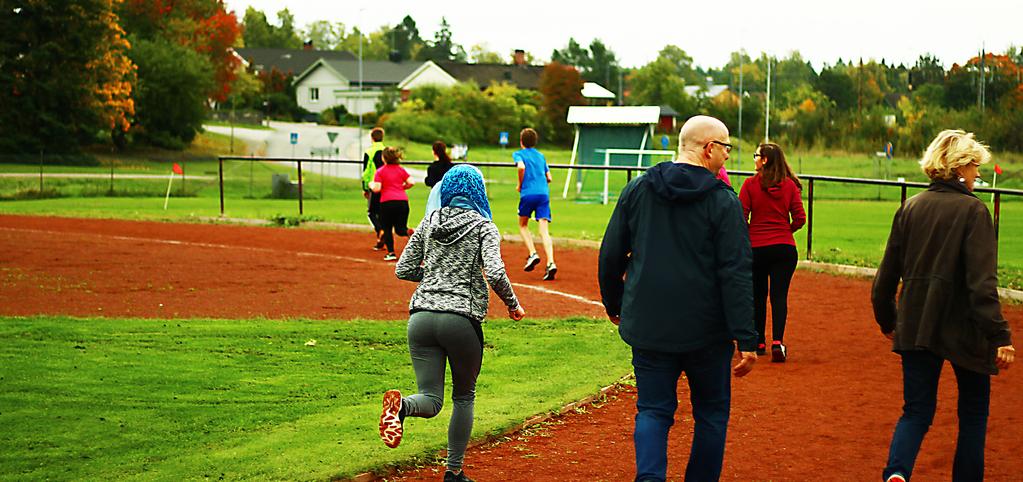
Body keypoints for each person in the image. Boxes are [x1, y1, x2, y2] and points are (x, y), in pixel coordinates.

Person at [598, 115, 758, 482]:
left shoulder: (638, 189)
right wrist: (745, 337)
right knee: (712, 414)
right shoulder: (723, 201)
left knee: (653, 410)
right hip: (707, 331)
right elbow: (735, 272)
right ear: (708, 149)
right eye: (726, 148)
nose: (728, 156)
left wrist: (616, 304)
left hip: (650, 325)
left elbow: (610, 255)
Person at [872, 129, 1015, 482]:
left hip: (917, 323)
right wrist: (1000, 335)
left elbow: (884, 281)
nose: (977, 174)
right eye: (974, 166)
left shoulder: (910, 207)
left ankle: (897, 474)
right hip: (965, 328)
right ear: (960, 167)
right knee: (973, 414)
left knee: (916, 412)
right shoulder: (974, 211)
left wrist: (889, 320)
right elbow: (982, 286)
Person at [381, 164, 526, 482]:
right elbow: (497, 272)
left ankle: (402, 407)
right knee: (464, 396)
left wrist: (434, 276)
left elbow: (402, 269)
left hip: (420, 319)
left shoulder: (428, 221)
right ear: (479, 192)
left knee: (430, 399)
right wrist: (513, 306)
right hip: (460, 320)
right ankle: (454, 472)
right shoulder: (484, 226)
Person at [738, 143, 806, 361]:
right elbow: (800, 218)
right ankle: (778, 342)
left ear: (765, 160)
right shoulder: (789, 186)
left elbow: (741, 215)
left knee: (758, 296)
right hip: (784, 249)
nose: (755, 159)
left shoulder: (750, 184)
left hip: (757, 249)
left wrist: (752, 233)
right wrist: (786, 230)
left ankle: (758, 342)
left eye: (756, 156)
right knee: (779, 296)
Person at [514, 128, 557, 280]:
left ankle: (533, 253)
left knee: (523, 225)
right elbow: (549, 177)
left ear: (521, 142)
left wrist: (520, 184)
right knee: (544, 230)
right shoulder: (541, 156)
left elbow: (521, 167)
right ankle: (551, 263)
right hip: (543, 193)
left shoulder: (519, 154)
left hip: (528, 193)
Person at [369, 147, 415, 261]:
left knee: (387, 228)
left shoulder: (380, 171)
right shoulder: (400, 170)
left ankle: (391, 252)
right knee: (400, 229)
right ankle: (410, 232)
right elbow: (411, 182)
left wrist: (371, 185)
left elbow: (377, 189)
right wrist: (401, 187)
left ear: (384, 158)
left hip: (387, 203)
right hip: (402, 202)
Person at [361, 127, 386, 249]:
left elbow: (366, 171)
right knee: (381, 213)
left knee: (371, 212)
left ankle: (380, 231)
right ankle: (380, 240)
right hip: (386, 186)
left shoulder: (369, 151)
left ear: (372, 138)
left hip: (374, 185)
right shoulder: (386, 150)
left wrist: (365, 187)